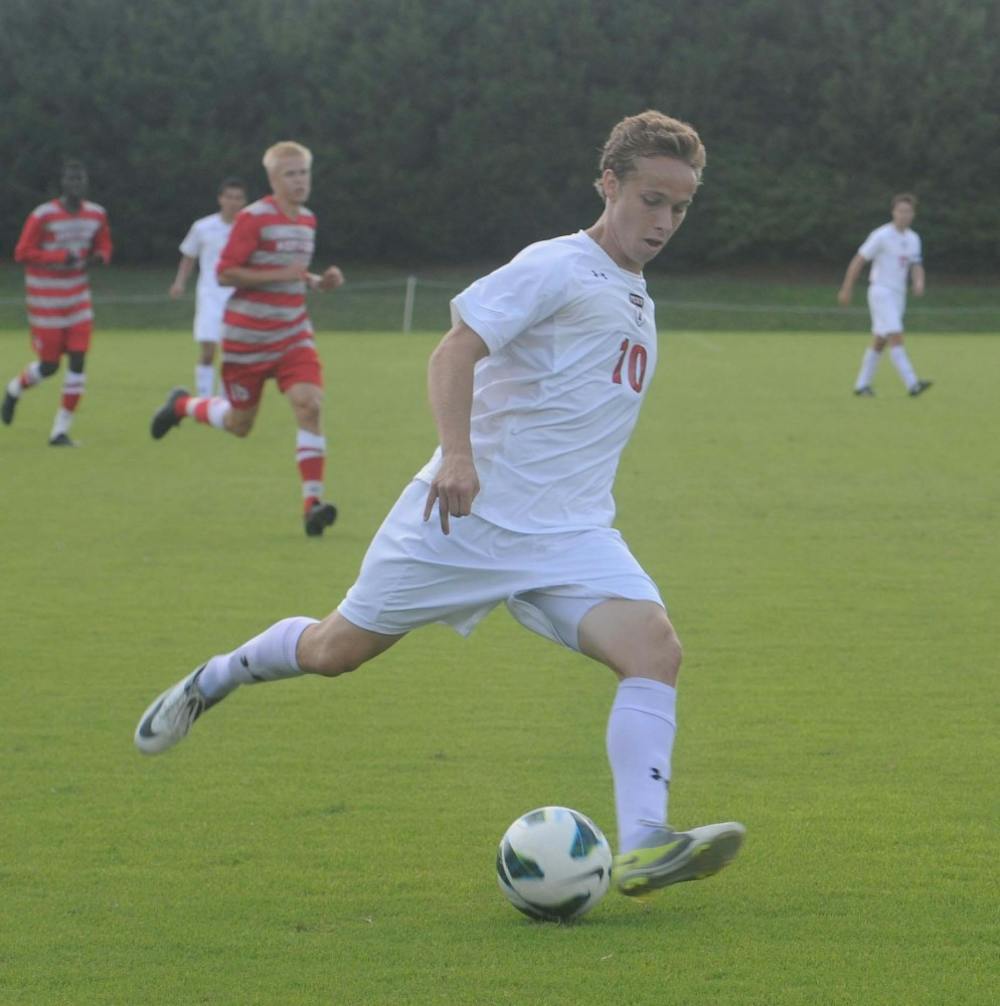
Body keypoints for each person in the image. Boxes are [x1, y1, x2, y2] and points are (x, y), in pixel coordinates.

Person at [135, 112, 745, 898]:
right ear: (608, 184)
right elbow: (456, 347)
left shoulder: (635, 295)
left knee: (655, 650)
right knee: (333, 652)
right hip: (465, 519)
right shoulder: (556, 265)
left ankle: (645, 844)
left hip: (573, 533)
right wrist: (457, 455)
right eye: (650, 199)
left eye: (679, 208)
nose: (663, 221)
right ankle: (213, 678)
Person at [149, 142, 344, 537]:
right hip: (246, 340)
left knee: (310, 405)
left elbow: (292, 272)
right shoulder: (253, 218)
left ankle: (312, 504)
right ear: (273, 179)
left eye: (303, 173)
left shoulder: (307, 220)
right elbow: (225, 273)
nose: (299, 180)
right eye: (290, 174)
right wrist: (284, 275)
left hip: (292, 335)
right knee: (240, 425)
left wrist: (317, 281)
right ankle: (183, 404)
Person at [2, 160, 112, 445]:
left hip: (77, 299)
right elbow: (22, 252)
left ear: (86, 183)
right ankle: (14, 389)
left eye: (81, 180)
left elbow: (104, 244)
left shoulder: (97, 214)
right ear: (62, 184)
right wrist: (59, 257)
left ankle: (60, 431)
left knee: (78, 359)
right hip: (45, 302)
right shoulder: (43, 215)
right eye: (71, 180)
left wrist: (101, 256)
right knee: (49, 366)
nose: (77, 185)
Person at [838, 193, 932, 397]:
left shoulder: (914, 238)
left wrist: (919, 282)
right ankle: (912, 383)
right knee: (896, 334)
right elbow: (859, 260)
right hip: (881, 291)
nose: (904, 215)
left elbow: (916, 265)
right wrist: (847, 288)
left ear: (913, 214)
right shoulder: (881, 235)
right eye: (900, 211)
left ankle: (862, 385)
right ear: (893, 212)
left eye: (908, 211)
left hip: (898, 295)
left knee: (880, 340)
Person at [169, 178, 249, 397]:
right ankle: (204, 397)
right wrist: (179, 282)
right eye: (229, 197)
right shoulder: (203, 227)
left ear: (244, 201)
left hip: (239, 297)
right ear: (220, 199)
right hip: (210, 296)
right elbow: (188, 256)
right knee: (208, 350)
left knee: (232, 351)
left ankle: (226, 399)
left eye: (238, 198)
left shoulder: (248, 227)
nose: (233, 202)